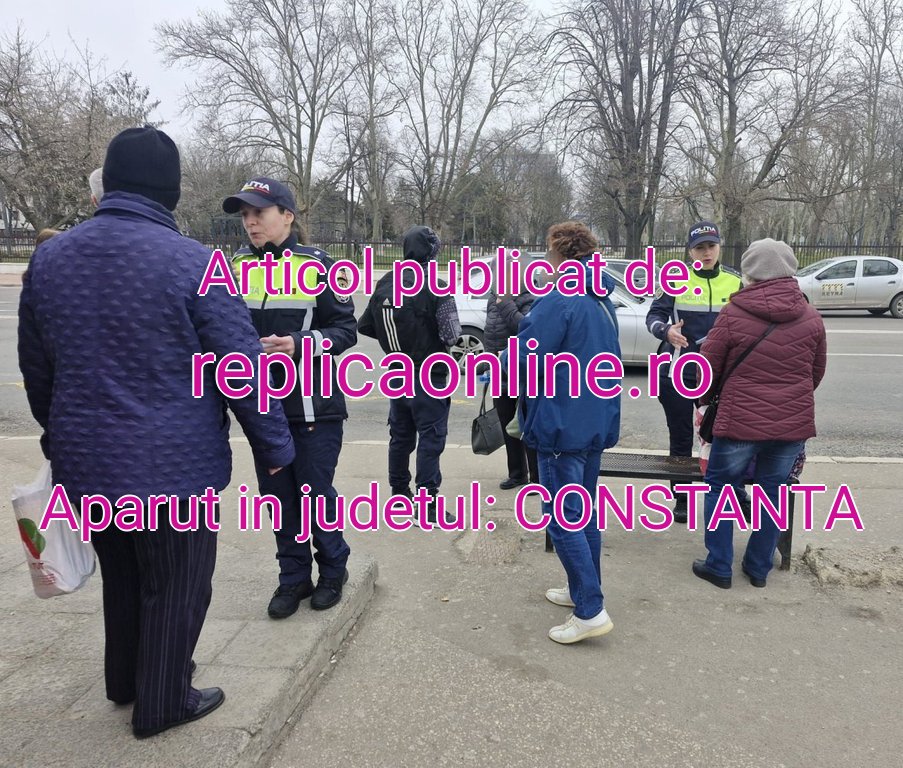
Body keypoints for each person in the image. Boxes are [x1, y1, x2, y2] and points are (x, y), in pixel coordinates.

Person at [18, 126, 295, 738]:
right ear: (170, 192)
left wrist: (59, 435)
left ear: (111, 181)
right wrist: (274, 445)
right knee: (177, 584)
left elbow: (38, 371)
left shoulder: (50, 260)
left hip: (87, 462)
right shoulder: (194, 263)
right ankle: (164, 700)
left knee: (122, 577)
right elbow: (240, 368)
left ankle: (126, 680)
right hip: (175, 465)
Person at [223, 177, 357, 617]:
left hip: (315, 408)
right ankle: (293, 578)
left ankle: (333, 569)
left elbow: (346, 330)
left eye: (258, 213)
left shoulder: (318, 265)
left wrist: (301, 343)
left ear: (287, 216)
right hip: (264, 411)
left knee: (315, 495)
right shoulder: (235, 267)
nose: (250, 222)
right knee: (279, 498)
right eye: (245, 215)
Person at [692, 239, 826, 589]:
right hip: (791, 426)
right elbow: (815, 373)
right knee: (773, 493)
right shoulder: (811, 317)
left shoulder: (733, 313)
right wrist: (789, 401)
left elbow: (707, 370)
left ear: (749, 273)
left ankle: (719, 566)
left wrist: (707, 401)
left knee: (720, 489)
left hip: (739, 423)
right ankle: (758, 568)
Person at [517, 221, 621, 644]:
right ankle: (581, 591)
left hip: (562, 424)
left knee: (563, 520)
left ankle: (590, 609)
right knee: (584, 515)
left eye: (548, 252)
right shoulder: (600, 297)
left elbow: (526, 357)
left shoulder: (560, 298)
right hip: (593, 422)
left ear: (560, 254)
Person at [357, 225, 462, 524]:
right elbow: (452, 334)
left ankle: (400, 498)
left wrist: (394, 342)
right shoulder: (435, 285)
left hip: (396, 372)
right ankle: (428, 506)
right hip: (429, 375)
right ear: (432, 252)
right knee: (431, 439)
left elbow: (365, 325)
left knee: (400, 438)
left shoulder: (385, 282)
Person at [645, 221, 744, 523]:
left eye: (711, 246)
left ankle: (726, 495)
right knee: (680, 437)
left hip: (717, 377)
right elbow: (653, 315)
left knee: (718, 437)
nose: (706, 253)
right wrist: (666, 331)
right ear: (690, 252)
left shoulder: (735, 281)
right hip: (677, 373)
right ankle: (682, 499)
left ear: (719, 247)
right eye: (700, 248)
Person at [484, 255, 538, 490]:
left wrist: (506, 303)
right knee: (507, 425)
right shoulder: (493, 297)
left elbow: (525, 328)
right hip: (498, 371)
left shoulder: (529, 298)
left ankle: (537, 477)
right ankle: (517, 474)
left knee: (526, 425)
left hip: (522, 373)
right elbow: (490, 331)